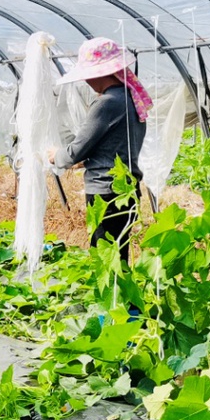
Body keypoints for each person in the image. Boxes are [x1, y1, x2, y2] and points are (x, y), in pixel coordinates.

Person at [48, 38, 152, 261]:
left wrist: (56, 156)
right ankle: (123, 296)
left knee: (104, 257)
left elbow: (77, 150)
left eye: (88, 73)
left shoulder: (107, 103)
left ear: (102, 73)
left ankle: (110, 296)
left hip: (105, 192)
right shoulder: (131, 99)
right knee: (119, 254)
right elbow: (114, 145)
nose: (86, 80)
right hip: (128, 189)